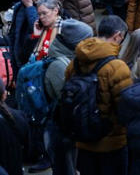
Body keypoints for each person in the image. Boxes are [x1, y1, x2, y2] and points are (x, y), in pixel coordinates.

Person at [65, 15, 133, 175]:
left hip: (82, 141)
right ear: (118, 36)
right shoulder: (117, 67)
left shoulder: (74, 63)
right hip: (112, 145)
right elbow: (125, 109)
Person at [43, 19, 93, 175]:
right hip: (59, 130)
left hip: (67, 128)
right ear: (77, 43)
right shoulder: (59, 66)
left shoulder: (70, 59)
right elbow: (67, 100)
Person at [8, 0, 45, 74]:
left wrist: (30, 7)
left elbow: (38, 26)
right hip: (20, 63)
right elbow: (13, 36)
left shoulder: (48, 6)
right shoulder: (19, 8)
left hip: (37, 62)